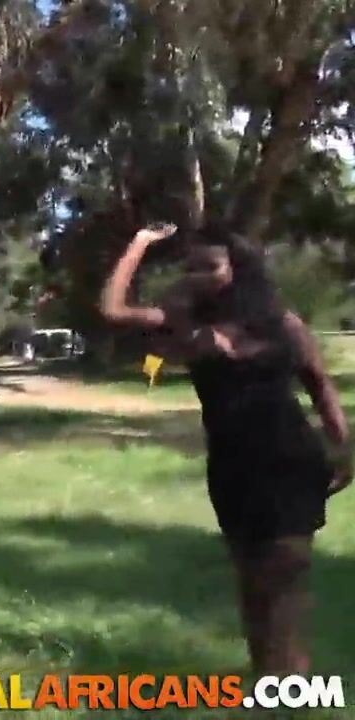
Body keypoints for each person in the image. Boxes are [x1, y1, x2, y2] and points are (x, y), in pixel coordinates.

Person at [100, 221, 351, 675]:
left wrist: (344, 448)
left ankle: (290, 688)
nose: (198, 275)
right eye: (190, 267)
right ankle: (268, 682)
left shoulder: (283, 323)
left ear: (239, 267)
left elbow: (320, 385)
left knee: (283, 586)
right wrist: (140, 242)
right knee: (252, 586)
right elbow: (114, 310)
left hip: (290, 463)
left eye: (210, 266)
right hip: (232, 470)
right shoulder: (187, 328)